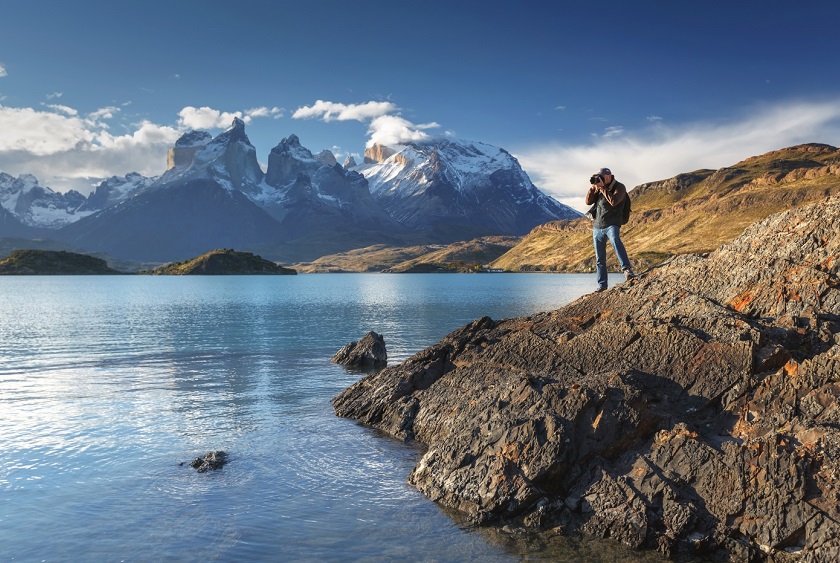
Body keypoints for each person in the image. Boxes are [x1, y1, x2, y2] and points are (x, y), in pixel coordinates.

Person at [585, 167, 637, 292]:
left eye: (602, 177)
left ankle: (627, 270)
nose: (601, 179)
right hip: (598, 226)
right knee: (599, 258)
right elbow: (588, 202)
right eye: (599, 177)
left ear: (609, 176)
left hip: (612, 224)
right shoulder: (598, 188)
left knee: (615, 240)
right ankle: (602, 286)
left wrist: (602, 188)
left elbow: (614, 201)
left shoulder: (620, 187)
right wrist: (593, 188)